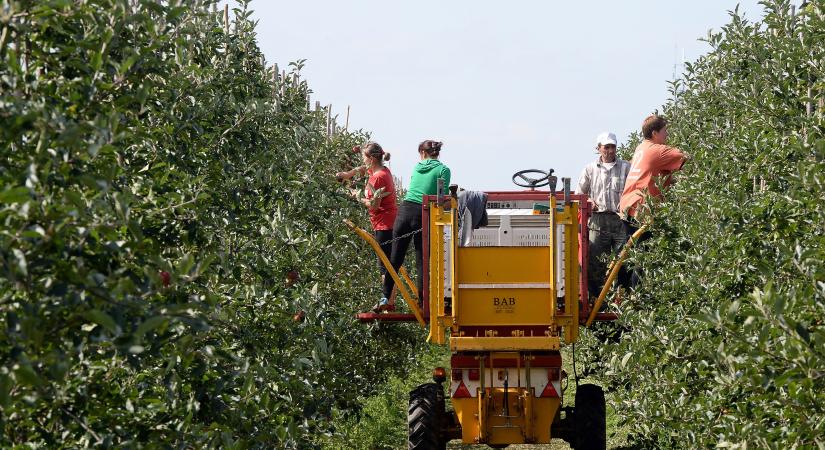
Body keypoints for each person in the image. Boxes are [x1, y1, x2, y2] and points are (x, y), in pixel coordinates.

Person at [377, 140, 450, 311]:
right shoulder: (443, 170)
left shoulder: (417, 167)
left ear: (422, 153)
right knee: (422, 260)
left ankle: (385, 297)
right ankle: (423, 303)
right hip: (423, 213)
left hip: (404, 211)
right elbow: (441, 198)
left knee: (395, 258)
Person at [618, 115, 688, 286]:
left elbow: (654, 173)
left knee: (629, 254)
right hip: (642, 208)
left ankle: (622, 292)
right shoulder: (658, 150)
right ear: (655, 133)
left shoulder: (641, 148)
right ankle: (637, 300)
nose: (668, 134)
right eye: (665, 131)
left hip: (628, 206)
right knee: (644, 256)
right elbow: (687, 157)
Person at [335, 142, 398, 310]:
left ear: (371, 158)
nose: (363, 161)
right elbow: (362, 168)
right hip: (389, 221)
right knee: (389, 263)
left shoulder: (378, 177)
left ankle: (388, 303)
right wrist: (348, 174)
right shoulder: (383, 171)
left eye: (364, 157)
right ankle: (390, 302)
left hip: (384, 224)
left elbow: (374, 204)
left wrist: (356, 196)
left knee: (385, 265)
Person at [578, 131, 630, 299]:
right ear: (598, 148)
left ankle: (623, 300)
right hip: (598, 220)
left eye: (612, 147)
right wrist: (589, 201)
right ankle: (596, 301)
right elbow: (580, 194)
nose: (610, 150)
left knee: (625, 260)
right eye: (606, 147)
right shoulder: (589, 169)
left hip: (621, 219)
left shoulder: (626, 167)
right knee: (595, 262)